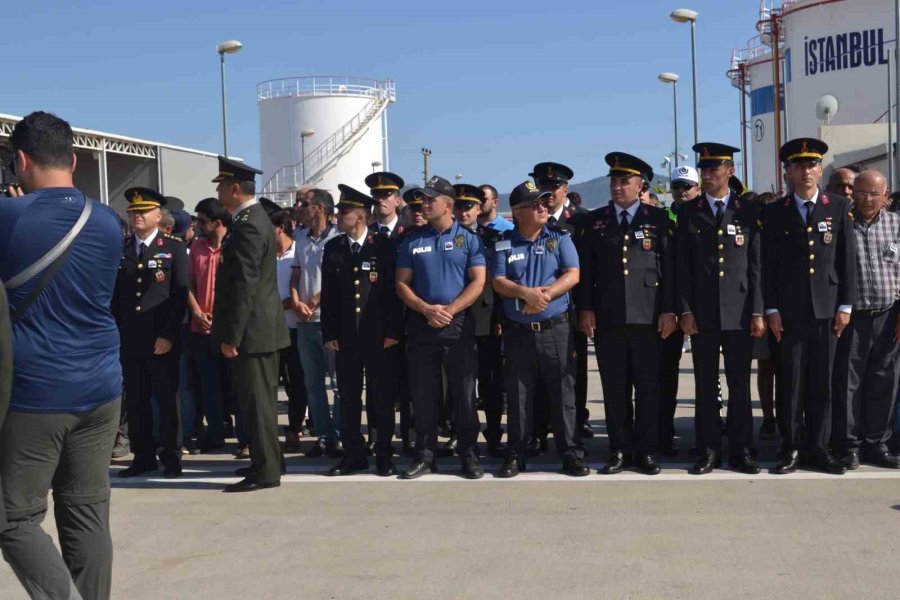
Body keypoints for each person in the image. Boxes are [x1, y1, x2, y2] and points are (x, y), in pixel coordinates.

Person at [0, 111, 122, 599]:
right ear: (73, 160)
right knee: (87, 509)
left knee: (13, 517)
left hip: (38, 394)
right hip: (102, 388)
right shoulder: (109, 221)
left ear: (21, 160)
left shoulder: (11, 217)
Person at [577, 152, 677, 475]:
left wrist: (668, 311)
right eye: (614, 181)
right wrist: (587, 308)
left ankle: (645, 450)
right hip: (609, 319)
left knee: (648, 387)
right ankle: (619, 449)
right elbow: (588, 271)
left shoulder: (658, 220)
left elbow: (670, 272)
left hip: (648, 319)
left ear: (640, 185)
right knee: (615, 387)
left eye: (624, 181)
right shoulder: (596, 222)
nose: (618, 187)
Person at [764, 138, 857, 475]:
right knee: (789, 383)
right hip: (789, 315)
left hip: (828, 312)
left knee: (824, 382)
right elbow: (768, 266)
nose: (806, 171)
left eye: (811, 164)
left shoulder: (838, 208)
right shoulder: (775, 213)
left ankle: (819, 448)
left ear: (821, 169)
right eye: (798, 165)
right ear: (788, 172)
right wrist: (771, 309)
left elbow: (847, 260)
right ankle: (790, 448)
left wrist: (846, 304)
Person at [676, 143, 765, 475]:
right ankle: (709, 449)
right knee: (705, 383)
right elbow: (682, 268)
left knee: (739, 383)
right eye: (705, 169)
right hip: (702, 313)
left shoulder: (748, 210)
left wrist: (757, 311)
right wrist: (685, 310)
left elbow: (756, 266)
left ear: (730, 171)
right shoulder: (688, 211)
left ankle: (742, 450)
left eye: (715, 168)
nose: (708, 174)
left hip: (740, 311)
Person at [492, 181, 588, 477]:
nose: (543, 208)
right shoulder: (503, 242)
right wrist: (525, 294)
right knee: (519, 393)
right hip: (519, 331)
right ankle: (516, 453)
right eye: (536, 205)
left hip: (555, 328)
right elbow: (497, 280)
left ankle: (570, 452)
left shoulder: (559, 238)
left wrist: (545, 295)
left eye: (545, 203)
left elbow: (573, 274)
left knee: (563, 392)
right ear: (519, 212)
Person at [396, 175, 486, 479]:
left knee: (463, 393)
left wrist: (450, 310)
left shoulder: (469, 239)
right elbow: (401, 284)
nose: (424, 203)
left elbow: (478, 280)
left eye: (431, 199)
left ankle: (469, 454)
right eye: (423, 198)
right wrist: (426, 309)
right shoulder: (413, 239)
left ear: (448, 204)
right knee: (423, 393)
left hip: (457, 324)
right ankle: (425, 455)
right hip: (422, 324)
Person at [212, 156, 291, 492]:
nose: (217, 192)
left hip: (254, 331)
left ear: (233, 188)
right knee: (257, 402)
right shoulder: (254, 219)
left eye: (220, 186)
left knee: (257, 404)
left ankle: (266, 472)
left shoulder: (247, 224)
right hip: (260, 328)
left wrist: (232, 334)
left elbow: (244, 285)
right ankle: (267, 461)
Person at [321, 185, 402, 476]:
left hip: (378, 336)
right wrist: (328, 333)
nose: (339, 215)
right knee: (349, 398)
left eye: (344, 211)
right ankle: (353, 454)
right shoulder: (334, 248)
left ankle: (384, 453)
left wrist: (393, 330)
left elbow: (394, 293)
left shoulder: (384, 246)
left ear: (361, 217)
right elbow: (328, 295)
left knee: (381, 397)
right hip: (345, 338)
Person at [113, 188, 189, 479]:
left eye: (143, 212)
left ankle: (172, 456)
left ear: (158, 215)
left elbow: (179, 296)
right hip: (131, 338)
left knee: (167, 400)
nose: (137, 217)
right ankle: (142, 456)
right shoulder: (123, 248)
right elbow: (117, 296)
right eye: (133, 212)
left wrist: (169, 335)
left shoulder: (173, 247)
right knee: (136, 401)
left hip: (162, 339)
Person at [831, 170, 900, 469]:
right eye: (861, 192)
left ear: (886, 196)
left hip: (889, 316)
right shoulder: (840, 224)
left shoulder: (897, 225)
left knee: (884, 383)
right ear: (852, 194)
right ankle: (849, 445)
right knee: (849, 383)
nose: (867, 199)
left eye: (874, 194)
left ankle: (877, 443)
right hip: (852, 319)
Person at [529, 162, 592, 446]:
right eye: (543, 186)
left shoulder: (582, 221)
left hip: (572, 309)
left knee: (571, 373)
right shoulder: (530, 220)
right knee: (539, 374)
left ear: (566, 188)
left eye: (554, 186)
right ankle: (539, 429)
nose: (549, 192)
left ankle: (574, 425)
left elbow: (590, 270)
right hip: (536, 310)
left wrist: (588, 309)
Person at [290, 189, 342, 457]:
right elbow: (296, 273)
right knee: (312, 384)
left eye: (305, 204)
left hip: (329, 321)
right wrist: (297, 300)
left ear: (320, 208)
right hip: (305, 322)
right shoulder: (300, 237)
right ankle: (323, 436)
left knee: (338, 383)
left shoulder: (339, 237)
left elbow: (338, 280)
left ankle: (341, 435)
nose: (300, 207)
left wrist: (315, 302)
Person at [457, 184, 506, 457]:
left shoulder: (494, 237)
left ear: (479, 208)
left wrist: (500, 317)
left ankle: (495, 434)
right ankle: (462, 435)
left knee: (491, 380)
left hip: (487, 317)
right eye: (459, 206)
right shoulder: (446, 237)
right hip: (456, 315)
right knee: (461, 381)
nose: (464, 212)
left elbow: (499, 279)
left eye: (469, 206)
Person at [658, 165, 702, 455]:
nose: (682, 191)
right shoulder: (663, 219)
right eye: (677, 187)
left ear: (697, 189)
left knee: (704, 376)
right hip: (667, 307)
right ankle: (662, 431)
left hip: (699, 307)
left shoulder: (703, 215)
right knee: (662, 374)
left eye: (687, 186)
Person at [184, 198, 230, 454]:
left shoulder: (234, 247)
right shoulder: (196, 247)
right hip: (200, 327)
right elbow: (188, 283)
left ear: (218, 223)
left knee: (234, 384)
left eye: (203, 221)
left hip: (227, 329)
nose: (198, 225)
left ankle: (243, 436)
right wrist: (197, 311)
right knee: (208, 384)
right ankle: (215, 434)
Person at [263, 205, 309, 453]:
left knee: (296, 385)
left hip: (295, 328)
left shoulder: (298, 252)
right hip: (268, 330)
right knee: (270, 385)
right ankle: (268, 436)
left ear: (279, 228)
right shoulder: (264, 254)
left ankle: (294, 430)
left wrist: (287, 304)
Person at [754, 191, 779, 440]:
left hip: (785, 312)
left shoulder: (782, 234)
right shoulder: (755, 235)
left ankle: (780, 417)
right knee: (766, 367)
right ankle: (769, 417)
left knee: (786, 369)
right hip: (762, 310)